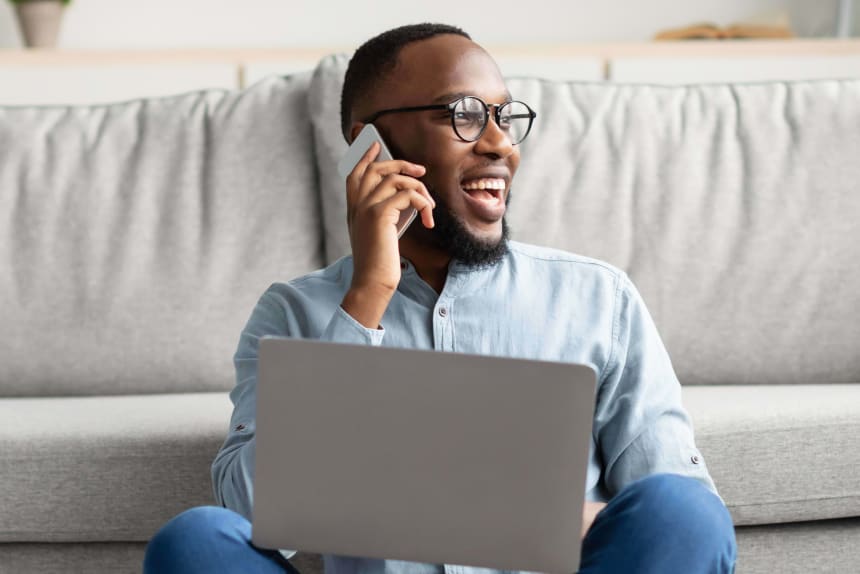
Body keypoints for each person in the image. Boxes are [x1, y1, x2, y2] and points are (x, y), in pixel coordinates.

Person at [144, 23, 737, 574]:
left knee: (682, 511)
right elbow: (250, 515)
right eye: (466, 115)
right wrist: (368, 296)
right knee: (195, 540)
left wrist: (480, 516)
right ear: (368, 144)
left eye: (506, 117)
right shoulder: (292, 313)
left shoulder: (597, 300)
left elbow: (682, 523)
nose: (501, 144)